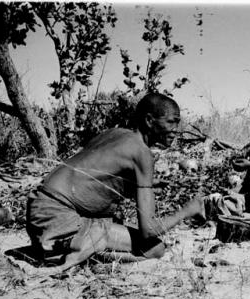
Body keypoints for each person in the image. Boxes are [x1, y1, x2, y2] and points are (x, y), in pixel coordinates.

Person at [26, 93, 205, 274]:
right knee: (155, 249)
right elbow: (149, 230)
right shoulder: (142, 153)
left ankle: (79, 249)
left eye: (177, 122)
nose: (176, 129)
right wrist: (187, 211)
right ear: (150, 121)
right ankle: (86, 257)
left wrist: (136, 185)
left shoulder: (115, 133)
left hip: (38, 210)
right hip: (58, 221)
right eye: (171, 122)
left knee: (123, 229)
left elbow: (91, 175)